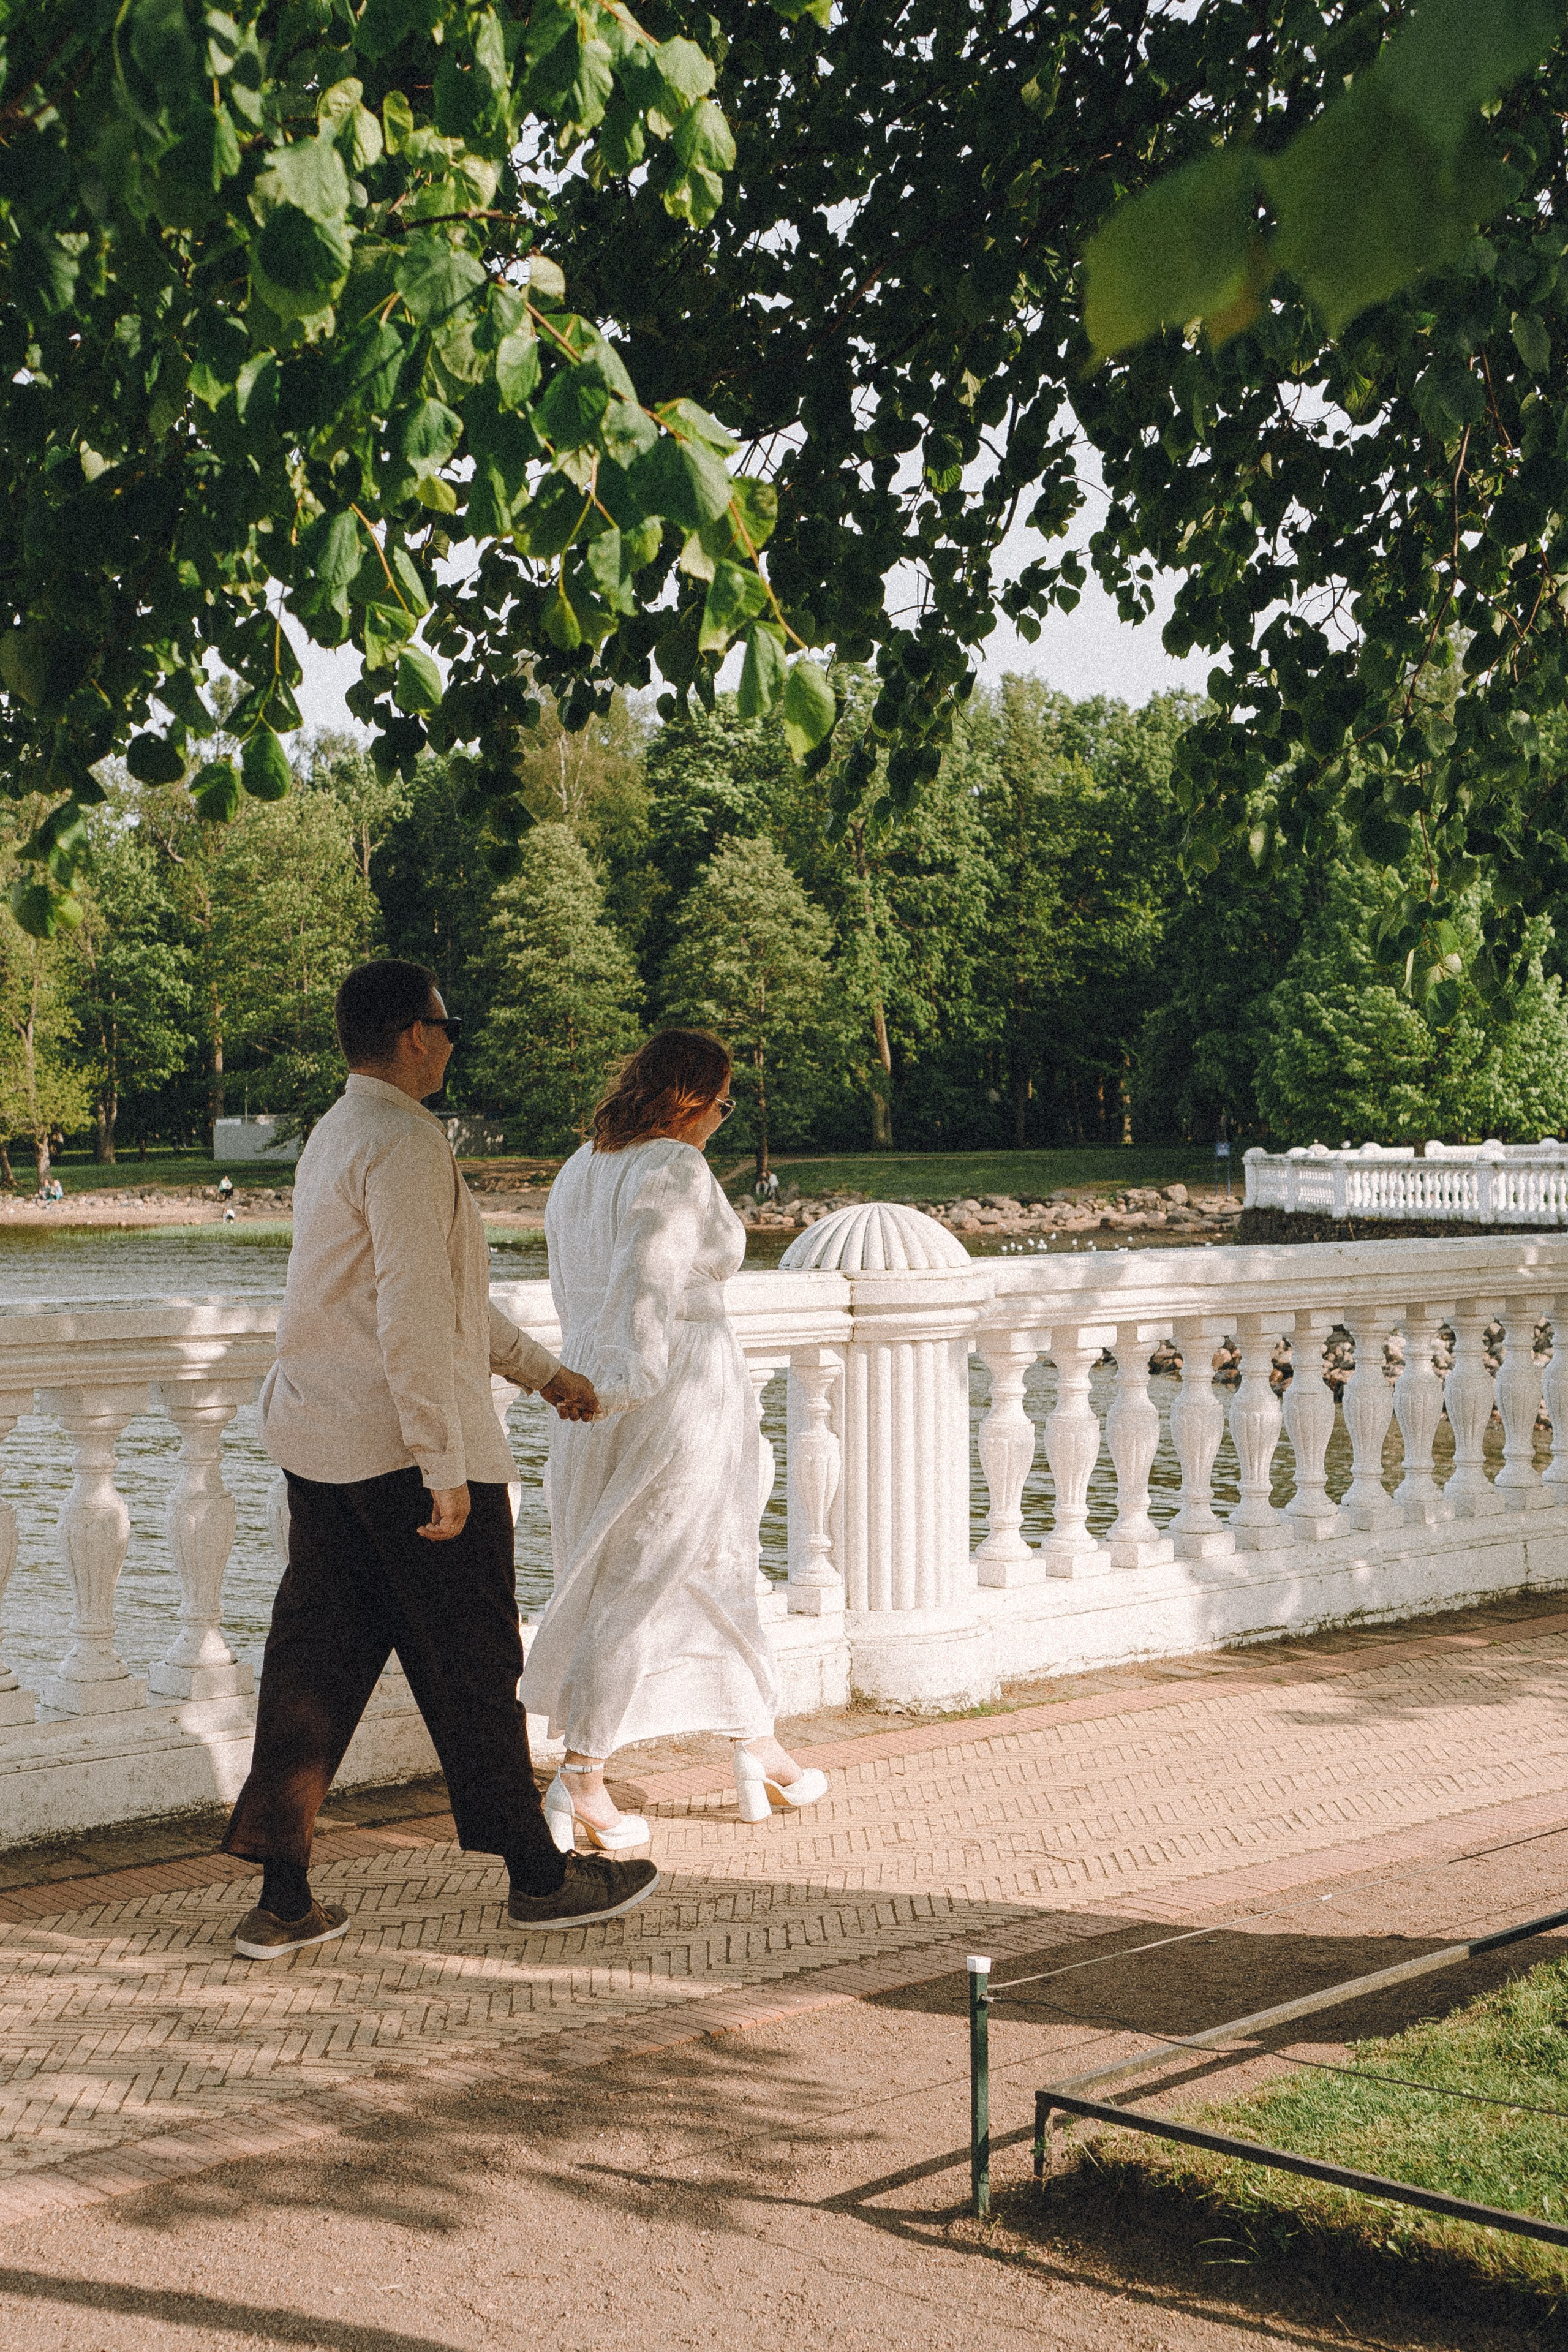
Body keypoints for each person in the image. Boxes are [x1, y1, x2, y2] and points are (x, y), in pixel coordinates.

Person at [221, 958, 658, 1958]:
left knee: (314, 1672)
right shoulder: (409, 1145)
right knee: (472, 1669)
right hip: (405, 1458)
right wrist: (443, 1464)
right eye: (448, 1025)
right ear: (416, 1033)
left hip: (322, 1448)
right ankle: (539, 1881)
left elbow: (445, 1299)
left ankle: (283, 1899)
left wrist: (546, 1373)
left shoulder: (339, 1133)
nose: (455, 1041)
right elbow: (415, 1319)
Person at [522, 1028, 828, 1847]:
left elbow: (582, 1289)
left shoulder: (580, 1167)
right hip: (667, 1390)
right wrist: (624, 1386)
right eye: (721, 1105)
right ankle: (583, 1779)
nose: (720, 1123)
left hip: (593, 1375)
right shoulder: (675, 1168)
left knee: (701, 1561)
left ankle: (754, 1740)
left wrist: (593, 1378)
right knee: (646, 1571)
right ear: (692, 1099)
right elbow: (648, 1287)